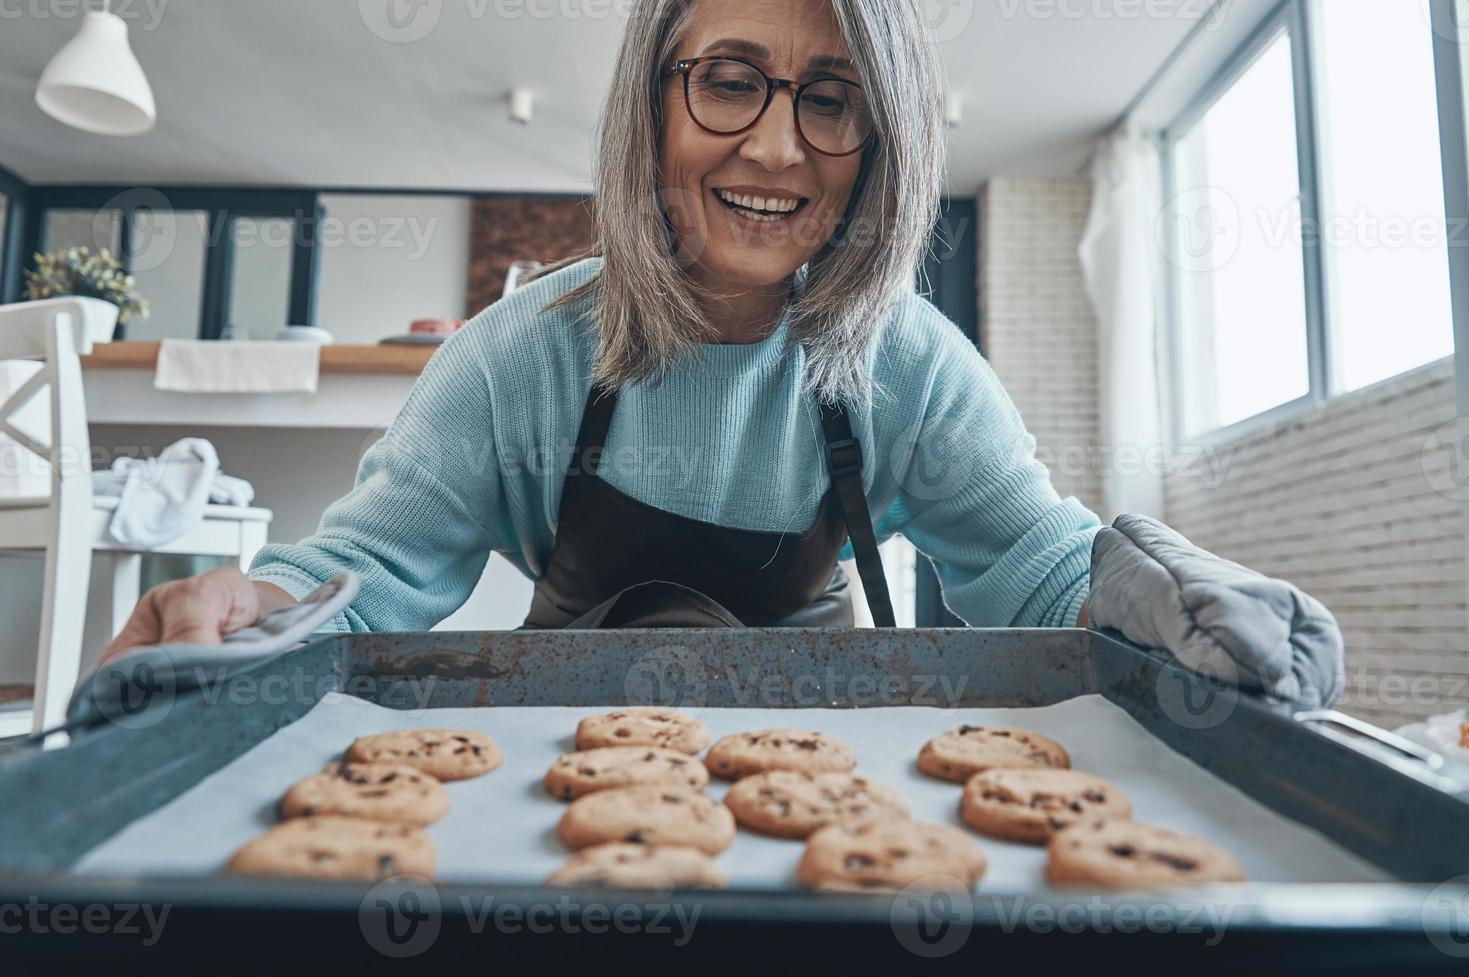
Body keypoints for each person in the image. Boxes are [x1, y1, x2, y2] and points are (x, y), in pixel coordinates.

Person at [103, 0, 1116, 657]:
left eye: (831, 99)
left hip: (824, 786)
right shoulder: (520, 354)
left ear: (875, 143)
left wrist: (1150, 594)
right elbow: (363, 574)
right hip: (558, 788)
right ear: (651, 106)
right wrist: (249, 611)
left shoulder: (907, 363)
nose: (773, 148)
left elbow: (1041, 561)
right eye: (727, 82)